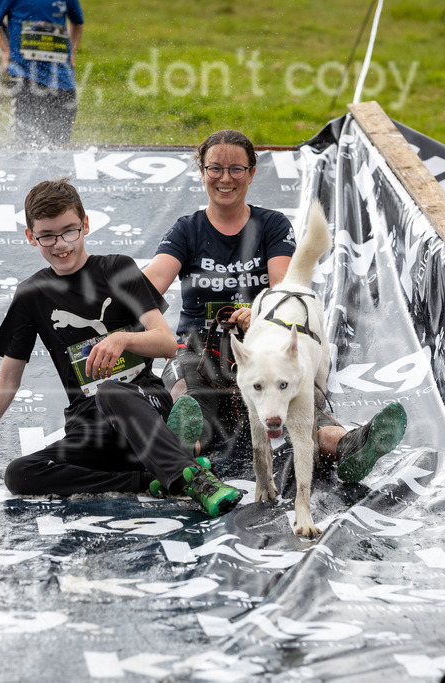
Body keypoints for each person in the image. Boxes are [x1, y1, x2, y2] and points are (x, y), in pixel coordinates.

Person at [0, 179, 243, 518]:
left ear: (85, 225)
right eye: (47, 235)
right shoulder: (32, 294)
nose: (61, 244)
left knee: (111, 391)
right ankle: (148, 479)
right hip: (90, 426)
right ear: (31, 237)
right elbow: (7, 378)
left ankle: (198, 482)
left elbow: (165, 342)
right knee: (19, 473)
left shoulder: (117, 268)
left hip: (142, 405)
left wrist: (122, 339)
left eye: (69, 232)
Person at [142, 129, 407, 484]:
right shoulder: (187, 229)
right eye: (215, 168)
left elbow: (284, 284)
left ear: (252, 172)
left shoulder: (271, 225)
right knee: (187, 397)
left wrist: (261, 313)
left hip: (265, 351)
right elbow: (151, 282)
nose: (225, 178)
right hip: (201, 351)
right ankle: (185, 443)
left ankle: (352, 446)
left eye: (236, 169)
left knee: (306, 408)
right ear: (201, 171)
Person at [0, 0, 83, 145]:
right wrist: (6, 50)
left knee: (60, 142)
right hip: (26, 75)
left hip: (62, 78)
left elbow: (77, 23)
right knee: (28, 141)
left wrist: (72, 53)